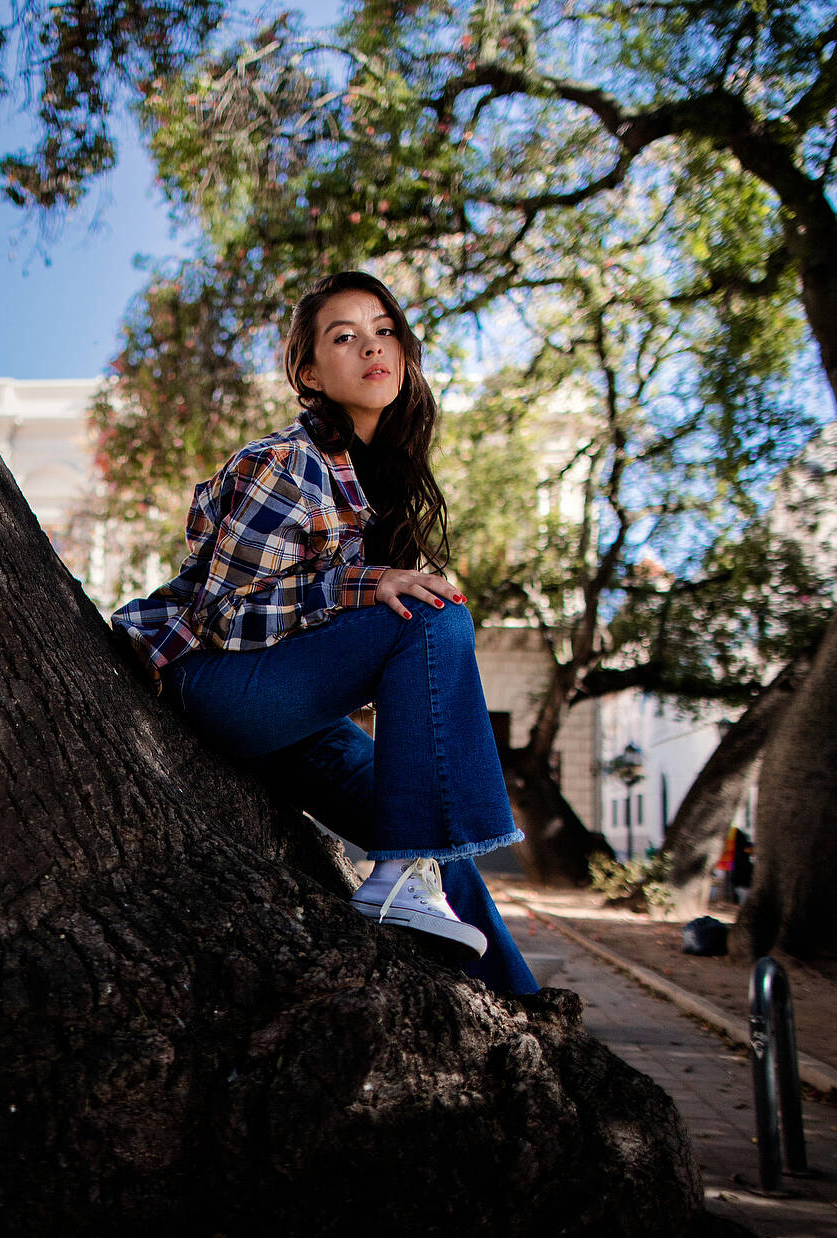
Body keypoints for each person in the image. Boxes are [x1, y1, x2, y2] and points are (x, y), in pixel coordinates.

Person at [111, 271, 538, 995]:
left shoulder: (375, 478)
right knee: (434, 615)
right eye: (345, 337)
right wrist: (365, 585)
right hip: (211, 684)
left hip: (289, 718)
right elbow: (226, 616)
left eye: (384, 330)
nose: (372, 347)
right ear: (309, 374)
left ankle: (517, 1002)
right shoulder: (286, 463)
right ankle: (398, 877)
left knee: (437, 837)